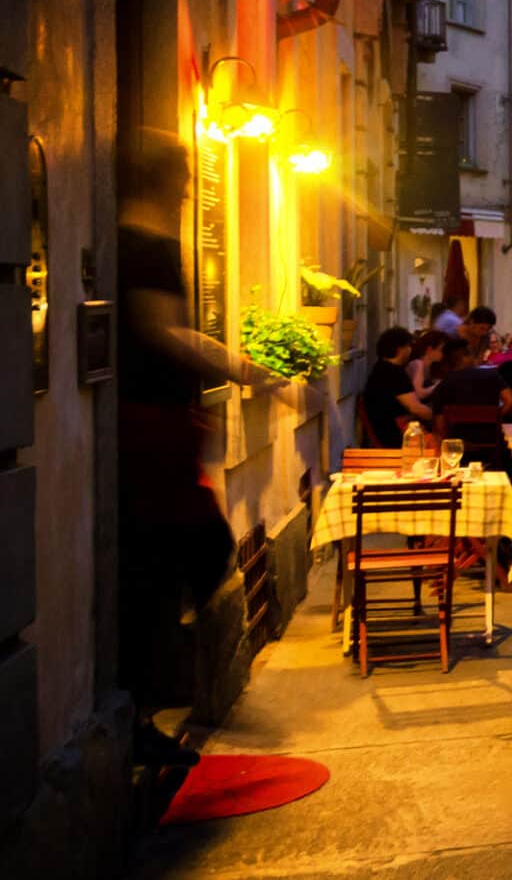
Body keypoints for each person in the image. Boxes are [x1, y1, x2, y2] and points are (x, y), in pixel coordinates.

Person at [116, 131, 287, 766]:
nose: (191, 184)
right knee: (190, 557)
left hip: (160, 431)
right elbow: (161, 329)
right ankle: (156, 707)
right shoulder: (147, 245)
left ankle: (158, 706)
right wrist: (240, 366)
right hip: (151, 433)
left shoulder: (141, 240)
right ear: (164, 177)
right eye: (184, 173)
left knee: (170, 567)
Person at [363, 327, 435, 447]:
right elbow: (415, 408)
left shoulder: (381, 368)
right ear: (400, 349)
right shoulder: (393, 373)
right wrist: (438, 417)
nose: (410, 350)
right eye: (409, 346)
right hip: (397, 436)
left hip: (388, 431)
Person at [430, 339, 512, 417]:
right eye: (472, 354)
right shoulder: (491, 375)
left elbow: (440, 427)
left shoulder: (442, 386)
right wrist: (493, 419)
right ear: (466, 357)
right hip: (490, 435)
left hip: (457, 435)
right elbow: (511, 403)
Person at [405, 328, 450, 398]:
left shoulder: (430, 367)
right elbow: (418, 394)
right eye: (442, 350)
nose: (444, 354)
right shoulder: (418, 364)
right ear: (430, 349)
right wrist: (438, 385)